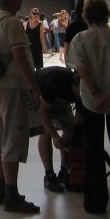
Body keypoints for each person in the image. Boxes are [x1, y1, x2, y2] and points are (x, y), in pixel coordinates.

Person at [67, 0, 110, 214]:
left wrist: (96, 93)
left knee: (93, 150)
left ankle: (95, 202)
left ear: (86, 16)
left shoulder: (80, 39)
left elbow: (81, 69)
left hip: (90, 101)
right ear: (107, 14)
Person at [0, 0, 41, 214]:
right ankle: (12, 194)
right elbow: (20, 58)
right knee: (12, 137)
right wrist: (34, 87)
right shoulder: (12, 23)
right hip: (12, 86)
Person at [35, 66, 79, 194]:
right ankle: (49, 176)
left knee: (70, 130)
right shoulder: (54, 83)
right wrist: (55, 136)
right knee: (46, 131)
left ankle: (64, 171)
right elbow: (44, 113)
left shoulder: (81, 89)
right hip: (41, 95)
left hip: (60, 98)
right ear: (74, 87)